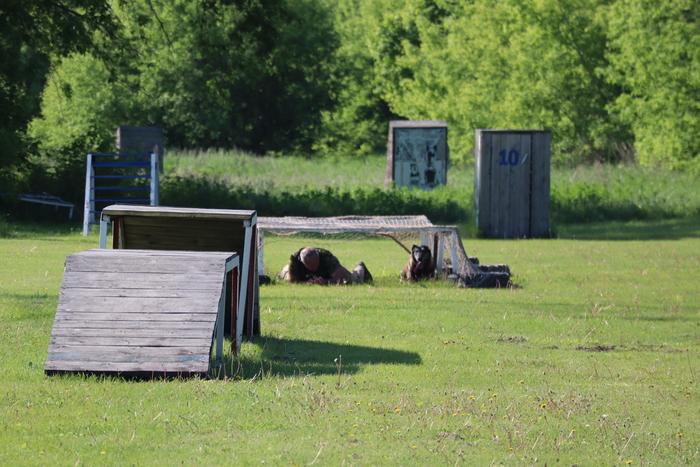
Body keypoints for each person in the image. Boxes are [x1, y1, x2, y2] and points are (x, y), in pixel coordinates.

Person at [278, 247, 372, 285]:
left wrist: (326, 282)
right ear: (302, 262)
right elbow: (292, 280)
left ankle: (361, 267)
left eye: (316, 263)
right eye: (311, 265)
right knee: (285, 275)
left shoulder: (327, 258)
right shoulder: (295, 260)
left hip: (328, 274)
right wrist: (306, 282)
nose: (315, 267)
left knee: (354, 279)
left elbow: (344, 278)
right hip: (300, 272)